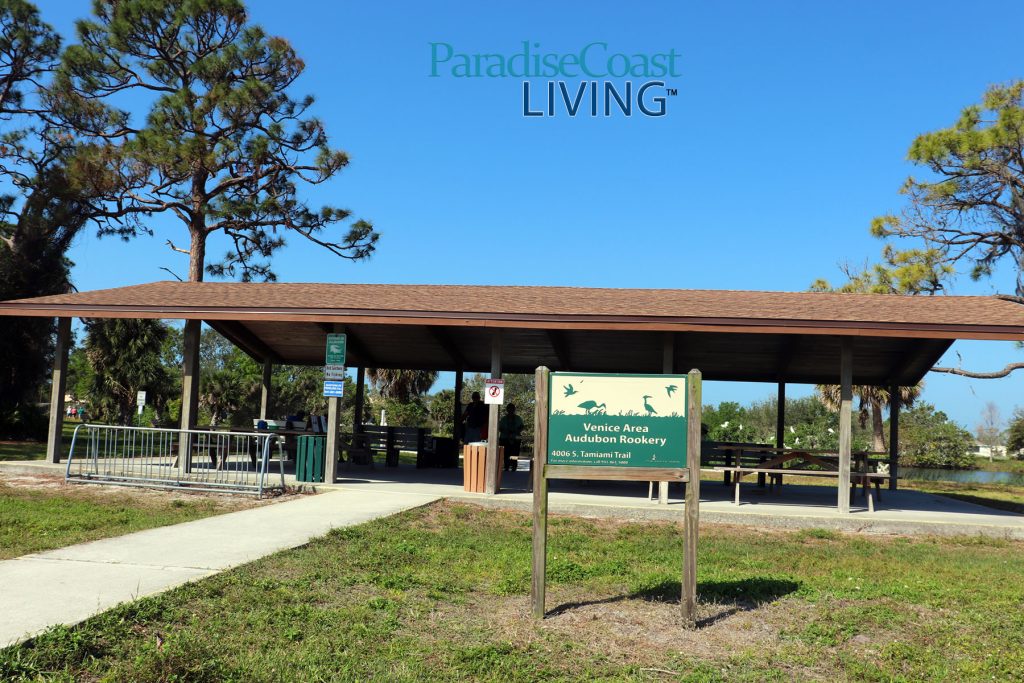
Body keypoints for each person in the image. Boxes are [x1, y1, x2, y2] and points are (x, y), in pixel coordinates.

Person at [498, 403, 525, 471]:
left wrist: (515, 432)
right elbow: (500, 428)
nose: (510, 410)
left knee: (515, 453)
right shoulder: (503, 419)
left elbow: (522, 426)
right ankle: (506, 466)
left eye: (512, 408)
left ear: (514, 409)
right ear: (507, 409)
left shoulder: (518, 418)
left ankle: (514, 466)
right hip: (505, 439)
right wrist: (506, 432)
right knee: (506, 453)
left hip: (515, 439)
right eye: (509, 408)